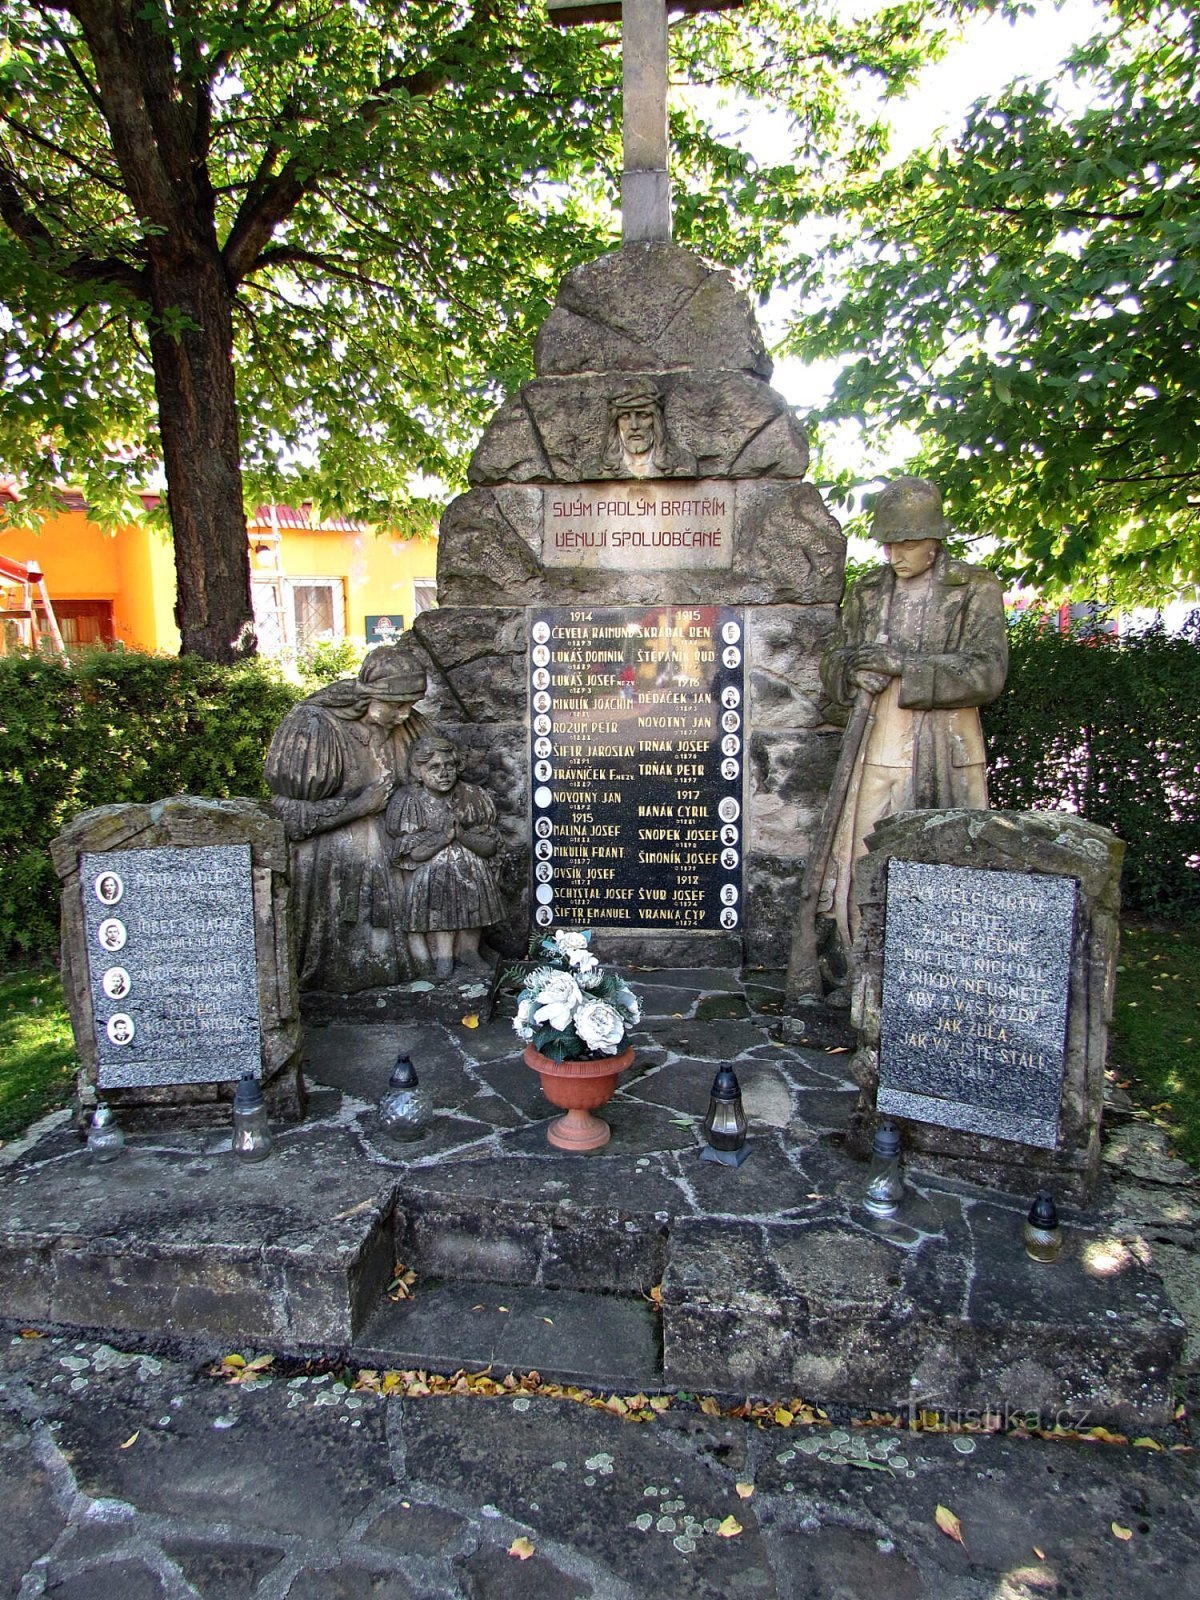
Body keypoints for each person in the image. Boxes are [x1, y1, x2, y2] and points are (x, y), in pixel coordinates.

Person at [819, 476, 1008, 957]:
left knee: (942, 864)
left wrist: (904, 667)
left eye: (907, 543)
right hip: (872, 747)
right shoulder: (867, 591)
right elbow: (834, 657)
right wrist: (851, 674)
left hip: (943, 748)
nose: (895, 555)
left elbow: (988, 673)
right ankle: (856, 960)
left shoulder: (974, 589)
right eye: (888, 544)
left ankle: (933, 968)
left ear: (934, 540)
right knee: (859, 857)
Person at [265, 642, 431, 991]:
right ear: (369, 695)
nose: (405, 714)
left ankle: (418, 958)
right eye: (396, 705)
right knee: (363, 848)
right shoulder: (314, 726)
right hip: (331, 845)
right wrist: (361, 806)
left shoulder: (410, 727)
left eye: (410, 704)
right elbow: (290, 817)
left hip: (396, 836)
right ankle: (351, 968)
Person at [386, 733, 505, 980]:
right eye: (434, 768)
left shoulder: (473, 796)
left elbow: (490, 846)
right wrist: (443, 839)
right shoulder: (409, 801)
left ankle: (469, 950)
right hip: (431, 875)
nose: (444, 773)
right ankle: (443, 956)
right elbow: (414, 853)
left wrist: (461, 836)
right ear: (418, 772)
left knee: (472, 892)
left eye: (449, 766)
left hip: (471, 870)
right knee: (440, 880)